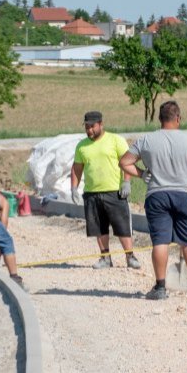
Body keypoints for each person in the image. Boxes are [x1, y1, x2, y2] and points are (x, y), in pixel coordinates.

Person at [119, 100, 187, 299]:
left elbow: (124, 162)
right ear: (178, 118)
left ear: (159, 119)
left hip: (157, 194)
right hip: (185, 195)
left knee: (160, 241)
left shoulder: (146, 140)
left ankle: (160, 288)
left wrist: (142, 174)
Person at [70, 110, 142, 269]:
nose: (89, 130)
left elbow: (126, 163)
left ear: (101, 124)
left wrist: (126, 182)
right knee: (98, 227)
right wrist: (74, 188)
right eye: (87, 127)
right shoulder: (82, 146)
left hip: (114, 192)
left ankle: (130, 256)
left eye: (92, 126)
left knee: (122, 225)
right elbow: (76, 168)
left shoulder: (116, 140)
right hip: (92, 193)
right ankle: (105, 258)